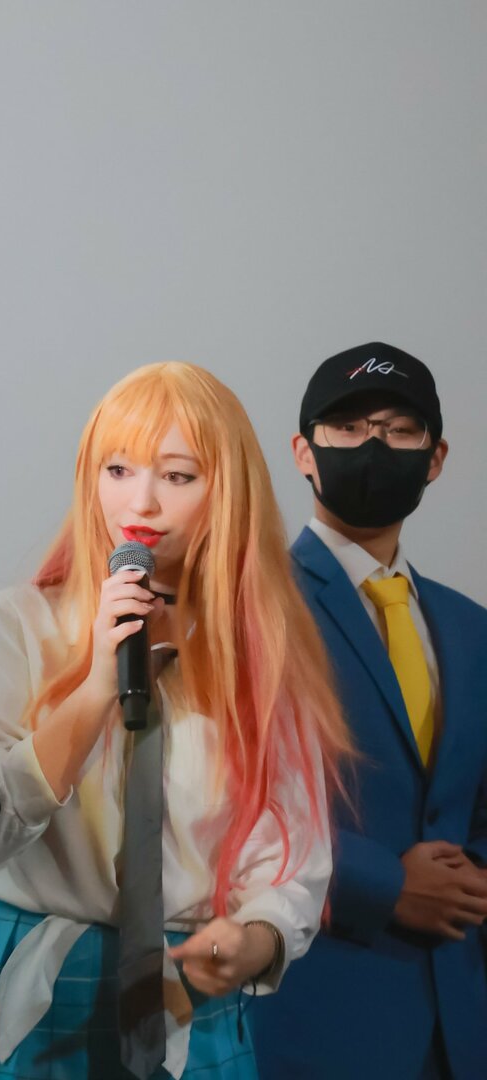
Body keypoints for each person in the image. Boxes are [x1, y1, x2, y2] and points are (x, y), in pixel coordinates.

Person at [0, 361, 350, 1079]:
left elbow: (294, 857)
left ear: (228, 492)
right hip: (22, 979)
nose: (140, 501)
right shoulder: (20, 623)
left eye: (178, 476)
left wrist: (256, 939)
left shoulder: (264, 651)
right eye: (117, 470)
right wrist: (95, 686)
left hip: (183, 997)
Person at [249, 342, 487, 1080]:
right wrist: (384, 882)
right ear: (303, 451)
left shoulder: (470, 626)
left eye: (399, 430)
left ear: (435, 458)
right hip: (313, 1006)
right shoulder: (249, 605)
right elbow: (227, 791)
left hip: (460, 1014)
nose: (373, 447)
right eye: (348, 428)